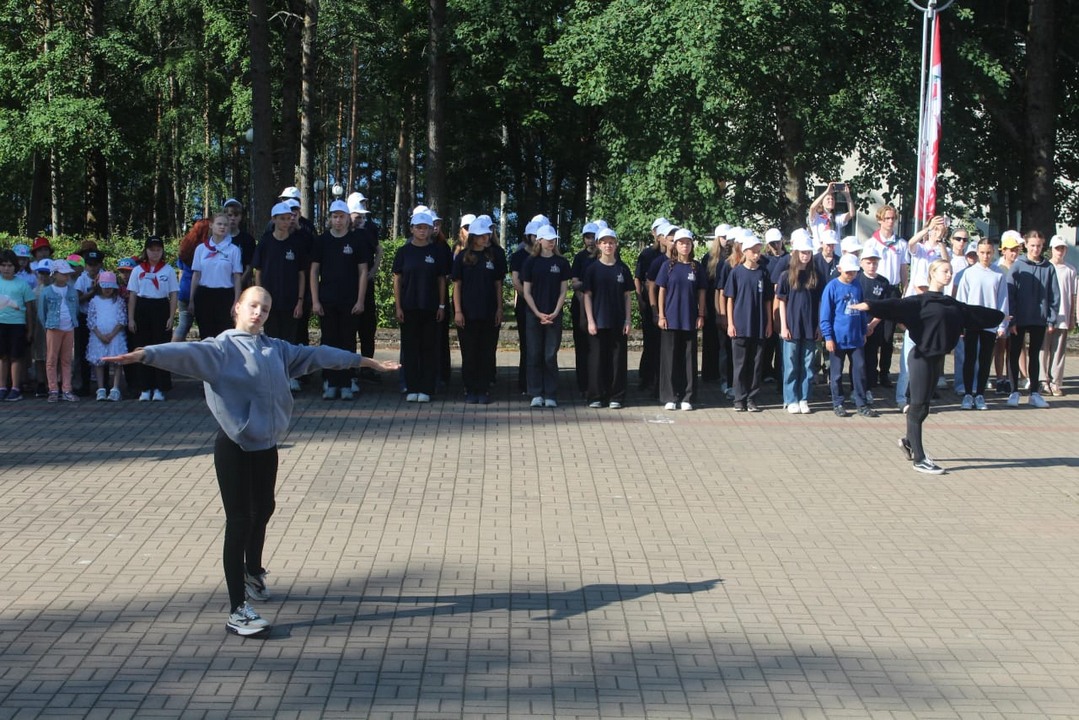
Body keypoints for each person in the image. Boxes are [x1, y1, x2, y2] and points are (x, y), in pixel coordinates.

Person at [104, 286, 398, 636]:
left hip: (266, 444)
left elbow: (319, 355)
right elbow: (184, 352)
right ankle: (237, 610)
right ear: (238, 308)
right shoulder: (221, 349)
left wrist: (366, 362)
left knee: (265, 508)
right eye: (253, 306)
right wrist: (145, 354)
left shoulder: (277, 349)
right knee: (240, 520)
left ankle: (252, 572)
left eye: (265, 308)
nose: (259, 313)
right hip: (234, 445)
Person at [852, 259, 1004, 474]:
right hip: (921, 358)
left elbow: (975, 313)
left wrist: (1001, 316)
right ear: (932, 273)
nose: (949, 275)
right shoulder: (920, 301)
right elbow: (895, 305)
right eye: (944, 271)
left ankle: (908, 441)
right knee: (917, 406)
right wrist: (870, 305)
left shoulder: (952, 304)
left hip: (937, 359)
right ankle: (919, 459)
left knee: (924, 407)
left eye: (950, 271)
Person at [310, 200, 370, 401]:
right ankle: (330, 381)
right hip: (327, 300)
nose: (338, 220)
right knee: (328, 342)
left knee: (347, 341)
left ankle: (346, 382)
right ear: (330, 218)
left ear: (347, 219)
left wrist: (360, 300)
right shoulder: (321, 241)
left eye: (341, 216)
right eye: (334, 216)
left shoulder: (356, 240)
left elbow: (363, 272)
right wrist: (315, 300)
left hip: (349, 301)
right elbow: (314, 271)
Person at [392, 210, 450, 403]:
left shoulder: (436, 251)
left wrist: (441, 305)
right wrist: (398, 306)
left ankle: (426, 388)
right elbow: (397, 279)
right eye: (419, 227)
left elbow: (441, 280)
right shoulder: (403, 252)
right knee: (410, 349)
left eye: (426, 228)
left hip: (430, 307)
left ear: (431, 230)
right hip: (409, 307)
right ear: (412, 229)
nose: (422, 231)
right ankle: (412, 387)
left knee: (428, 348)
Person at [452, 214, 504, 404]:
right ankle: (470, 388)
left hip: (489, 311)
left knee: (486, 352)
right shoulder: (462, 257)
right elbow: (457, 285)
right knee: (470, 352)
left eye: (487, 234)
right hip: (468, 312)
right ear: (473, 237)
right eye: (481, 235)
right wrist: (458, 311)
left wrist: (499, 308)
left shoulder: (493, 256)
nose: (485, 238)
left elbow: (498, 284)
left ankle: (483, 388)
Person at [1006, 230, 1060, 408]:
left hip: (1039, 318)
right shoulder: (1017, 266)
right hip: (1019, 318)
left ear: (1043, 246)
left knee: (1035, 354)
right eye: (1032, 245)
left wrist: (1051, 319)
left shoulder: (1048, 267)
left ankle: (1034, 393)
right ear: (1026, 245)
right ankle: (1014, 391)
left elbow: (1054, 295)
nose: (1035, 249)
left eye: (1039, 246)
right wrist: (1012, 319)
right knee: (1014, 353)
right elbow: (1010, 293)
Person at [819, 254, 877, 418]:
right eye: (848, 272)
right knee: (836, 373)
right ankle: (838, 403)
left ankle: (861, 403)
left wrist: (863, 331)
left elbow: (861, 311)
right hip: (838, 338)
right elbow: (825, 315)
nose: (851, 275)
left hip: (856, 337)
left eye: (854, 272)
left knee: (859, 370)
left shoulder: (857, 285)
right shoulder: (832, 287)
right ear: (840, 270)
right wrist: (828, 337)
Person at [954, 238, 1009, 410]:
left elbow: (1003, 300)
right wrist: (960, 323)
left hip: (990, 322)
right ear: (977, 252)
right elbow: (961, 299)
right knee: (970, 358)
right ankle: (968, 394)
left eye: (989, 253)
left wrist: (1002, 325)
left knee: (985, 359)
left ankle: (980, 394)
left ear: (994, 253)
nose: (986, 256)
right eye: (983, 252)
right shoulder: (969, 273)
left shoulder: (999, 274)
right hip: (972, 321)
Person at [252, 202, 309, 368]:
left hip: (291, 302)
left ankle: (288, 374)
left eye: (288, 218)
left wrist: (300, 301)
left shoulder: (296, 243)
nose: (286, 222)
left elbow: (301, 274)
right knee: (271, 340)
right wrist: (260, 297)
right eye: (282, 218)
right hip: (270, 302)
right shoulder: (265, 242)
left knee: (289, 341)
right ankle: (272, 371)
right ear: (274, 219)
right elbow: (258, 271)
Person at [582, 228, 633, 409]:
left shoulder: (623, 269)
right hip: (598, 321)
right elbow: (587, 296)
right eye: (604, 242)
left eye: (611, 242)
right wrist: (590, 320)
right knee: (597, 360)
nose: (608, 246)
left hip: (618, 322)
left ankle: (616, 396)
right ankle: (596, 396)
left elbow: (627, 296)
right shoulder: (592, 269)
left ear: (616, 245)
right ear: (599, 245)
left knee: (617, 361)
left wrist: (628, 320)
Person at [520, 224, 570, 408]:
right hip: (534, 315)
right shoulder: (530, 262)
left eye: (553, 239)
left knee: (550, 355)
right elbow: (526, 292)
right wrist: (537, 312)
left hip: (554, 315)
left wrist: (555, 312)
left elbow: (563, 291)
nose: (551, 242)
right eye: (548, 239)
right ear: (539, 241)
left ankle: (550, 393)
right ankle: (535, 393)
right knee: (534, 354)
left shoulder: (561, 262)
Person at [655, 228, 705, 410]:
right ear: (675, 245)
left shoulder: (696, 267)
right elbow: (661, 291)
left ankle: (687, 397)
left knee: (688, 359)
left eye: (688, 243)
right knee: (669, 359)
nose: (685, 246)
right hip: (670, 319)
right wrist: (661, 315)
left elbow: (701, 292)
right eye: (681, 243)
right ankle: (670, 396)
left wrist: (701, 314)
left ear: (692, 245)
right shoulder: (668, 265)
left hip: (689, 319)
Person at [724, 233, 773, 412]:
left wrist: (769, 323)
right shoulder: (736, 272)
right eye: (753, 251)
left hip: (758, 325)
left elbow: (768, 300)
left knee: (756, 364)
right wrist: (730, 323)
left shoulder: (763, 273)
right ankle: (739, 399)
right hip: (740, 325)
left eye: (758, 251)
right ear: (745, 251)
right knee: (740, 364)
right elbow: (730, 299)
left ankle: (752, 398)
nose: (756, 254)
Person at [775, 232, 822, 414]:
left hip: (809, 327)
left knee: (808, 365)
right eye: (803, 252)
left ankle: (804, 398)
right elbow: (782, 302)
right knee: (791, 365)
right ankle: (790, 398)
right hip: (792, 327)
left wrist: (818, 326)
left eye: (808, 252)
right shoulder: (786, 276)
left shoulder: (815, 276)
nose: (806, 256)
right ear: (795, 253)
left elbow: (819, 302)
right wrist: (784, 326)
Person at [128, 236, 179, 401]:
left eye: (158, 250)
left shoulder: (168, 270)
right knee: (142, 347)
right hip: (142, 307)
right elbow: (132, 295)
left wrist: (171, 316)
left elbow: (173, 294)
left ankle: (160, 387)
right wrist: (131, 318)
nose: (155, 253)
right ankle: (144, 387)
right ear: (146, 251)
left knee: (160, 348)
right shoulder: (138, 270)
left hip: (161, 307)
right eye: (152, 250)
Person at [190, 212, 243, 339]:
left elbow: (237, 277)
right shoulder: (201, 249)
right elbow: (196, 275)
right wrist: (191, 299)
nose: (222, 227)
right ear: (211, 225)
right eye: (219, 224)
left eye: (225, 225)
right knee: (206, 335)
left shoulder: (233, 250)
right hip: (204, 295)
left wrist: (236, 301)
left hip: (225, 296)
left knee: (224, 335)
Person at [38, 259, 80, 402]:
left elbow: (76, 309)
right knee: (51, 359)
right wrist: (48, 327)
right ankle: (53, 390)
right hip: (53, 328)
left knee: (66, 359)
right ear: (54, 274)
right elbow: (42, 313)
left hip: (69, 328)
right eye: (63, 273)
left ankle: (67, 389)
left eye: (67, 273)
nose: (66, 276)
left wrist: (72, 322)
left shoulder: (72, 291)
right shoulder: (46, 292)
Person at [1041, 236, 1077, 397]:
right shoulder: (1045, 267)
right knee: (1043, 349)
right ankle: (1043, 381)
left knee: (1058, 351)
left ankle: (1055, 382)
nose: (1060, 251)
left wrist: (1072, 317)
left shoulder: (1071, 270)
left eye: (1062, 248)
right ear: (1051, 249)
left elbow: (1073, 295)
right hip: (1047, 316)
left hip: (1063, 315)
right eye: (1057, 248)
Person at [0, 249, 35, 402]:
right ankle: (2, 387)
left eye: (9, 265)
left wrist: (30, 329)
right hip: (1, 324)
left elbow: (29, 308)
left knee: (16, 357)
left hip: (17, 325)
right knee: (2, 357)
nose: (6, 268)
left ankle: (15, 388)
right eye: (3, 265)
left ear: (15, 267)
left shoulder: (22, 284)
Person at [86, 271, 127, 402]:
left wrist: (112, 334)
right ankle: (101, 389)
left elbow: (122, 319)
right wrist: (100, 335)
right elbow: (91, 320)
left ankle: (115, 388)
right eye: (105, 287)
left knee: (117, 361)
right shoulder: (94, 301)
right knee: (99, 361)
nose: (107, 289)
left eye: (110, 287)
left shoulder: (118, 301)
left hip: (115, 336)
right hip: (98, 336)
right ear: (100, 286)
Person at [570, 223, 599, 396]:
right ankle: (582, 384)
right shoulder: (580, 257)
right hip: (581, 305)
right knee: (582, 346)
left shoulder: (603, 257)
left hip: (600, 306)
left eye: (593, 237)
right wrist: (584, 299)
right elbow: (575, 283)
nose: (590, 240)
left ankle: (596, 382)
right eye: (587, 237)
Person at [510, 221, 538, 395]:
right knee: (527, 345)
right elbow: (515, 281)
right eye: (535, 235)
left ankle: (539, 382)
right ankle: (525, 383)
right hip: (524, 305)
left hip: (544, 307)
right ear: (528, 236)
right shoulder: (519, 256)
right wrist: (528, 298)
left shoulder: (544, 256)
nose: (538, 239)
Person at [992, 230, 1022, 393]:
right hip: (1002, 312)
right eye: (1011, 250)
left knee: (1015, 347)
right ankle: (999, 379)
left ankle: (1013, 378)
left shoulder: (1020, 266)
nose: (1014, 253)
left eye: (1016, 250)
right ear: (1003, 250)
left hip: (1016, 312)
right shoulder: (997, 268)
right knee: (1000, 346)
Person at [808, 182, 854, 250]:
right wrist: (827, 191)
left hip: (834, 252)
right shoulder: (816, 217)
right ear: (822, 203)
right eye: (828, 199)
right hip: (819, 252)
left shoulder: (836, 218)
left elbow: (851, 214)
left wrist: (847, 196)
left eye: (832, 199)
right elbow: (812, 208)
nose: (831, 201)